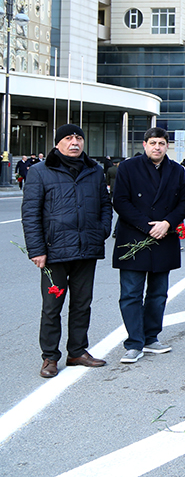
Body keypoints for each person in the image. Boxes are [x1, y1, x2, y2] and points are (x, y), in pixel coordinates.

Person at [22, 125, 113, 378]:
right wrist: (37, 250)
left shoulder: (94, 171)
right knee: (52, 306)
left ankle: (77, 351)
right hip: (54, 251)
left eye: (79, 138)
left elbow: (105, 204)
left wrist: (102, 230)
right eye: (68, 138)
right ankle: (50, 357)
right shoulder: (40, 172)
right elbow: (30, 214)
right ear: (58, 143)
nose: (75, 142)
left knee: (82, 304)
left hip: (87, 248)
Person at [111, 127, 185, 363]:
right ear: (144, 145)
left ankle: (151, 337)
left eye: (162, 143)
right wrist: (148, 227)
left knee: (158, 294)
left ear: (167, 146)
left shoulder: (177, 170)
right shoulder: (128, 167)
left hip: (164, 237)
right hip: (134, 237)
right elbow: (120, 202)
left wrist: (167, 223)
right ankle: (134, 342)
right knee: (131, 293)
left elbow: (184, 202)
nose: (157, 147)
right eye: (153, 142)